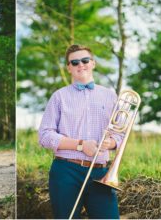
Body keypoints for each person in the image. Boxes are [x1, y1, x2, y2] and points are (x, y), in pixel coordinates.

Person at [38, 44, 123, 219]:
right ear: (68, 67)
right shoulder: (59, 96)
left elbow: (120, 134)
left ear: (93, 63)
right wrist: (80, 145)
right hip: (65, 171)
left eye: (85, 60)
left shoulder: (110, 96)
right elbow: (45, 135)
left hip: (100, 173)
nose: (80, 65)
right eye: (74, 62)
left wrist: (112, 142)